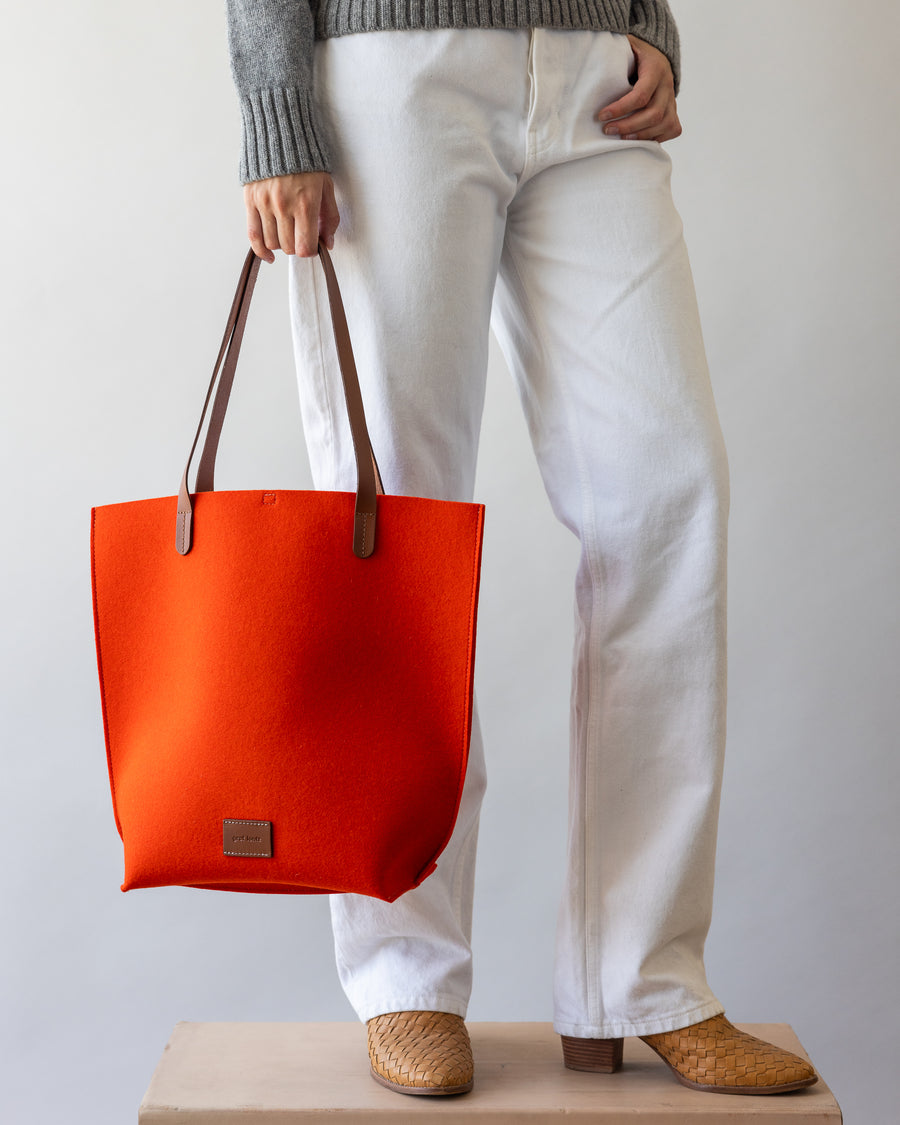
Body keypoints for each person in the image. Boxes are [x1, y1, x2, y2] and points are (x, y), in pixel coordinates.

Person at [224, 0, 817, 1099]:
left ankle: (641, 979)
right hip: (393, 65)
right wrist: (279, 114)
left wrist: (649, 26)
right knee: (391, 521)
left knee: (666, 496)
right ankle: (407, 971)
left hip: (596, 80)